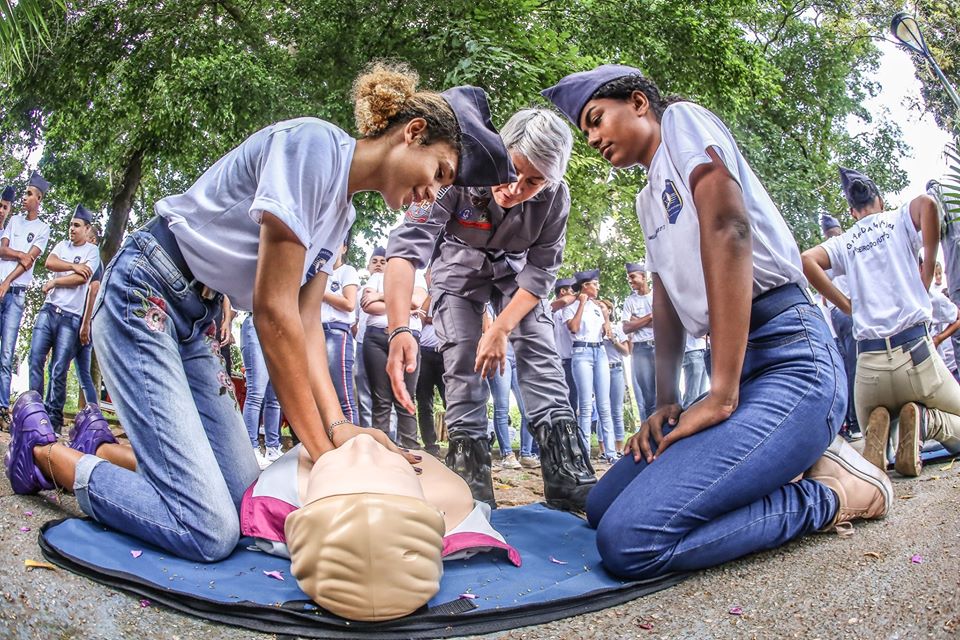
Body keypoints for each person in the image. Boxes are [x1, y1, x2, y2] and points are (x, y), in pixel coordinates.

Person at [5, 62, 500, 562]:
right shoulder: (315, 147)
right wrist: (328, 458)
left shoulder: (342, 216)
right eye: (439, 172)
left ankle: (103, 447)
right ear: (413, 133)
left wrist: (339, 427)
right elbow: (272, 311)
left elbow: (307, 324)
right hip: (145, 291)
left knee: (246, 501)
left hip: (196, 320)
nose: (432, 193)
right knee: (209, 531)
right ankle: (47, 457)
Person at [543, 64, 891, 579]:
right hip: (736, 371)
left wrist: (722, 393)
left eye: (596, 120)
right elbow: (665, 304)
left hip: (793, 361)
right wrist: (665, 403)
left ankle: (833, 492)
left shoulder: (682, 122)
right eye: (586, 130)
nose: (592, 137)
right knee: (601, 507)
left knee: (630, 542)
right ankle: (779, 458)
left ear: (639, 103)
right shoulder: (646, 199)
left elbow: (728, 226)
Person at [384, 108, 596, 510]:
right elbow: (406, 249)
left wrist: (499, 328)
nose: (516, 188)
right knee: (463, 357)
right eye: (512, 170)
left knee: (538, 346)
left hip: (516, 279)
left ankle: (566, 473)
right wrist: (399, 329)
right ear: (499, 151)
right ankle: (470, 479)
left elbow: (541, 272)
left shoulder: (555, 198)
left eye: (533, 181)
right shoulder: (457, 174)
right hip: (457, 272)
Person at [803, 167, 960, 476]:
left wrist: (846, 306)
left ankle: (884, 441)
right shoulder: (898, 219)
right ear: (880, 200)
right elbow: (928, 203)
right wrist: (926, 273)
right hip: (917, 356)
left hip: (870, 369)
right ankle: (928, 422)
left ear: (851, 212)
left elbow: (807, 261)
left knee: (875, 437)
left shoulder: (845, 242)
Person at [28, 205, 100, 434]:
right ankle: (33, 413)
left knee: (59, 369)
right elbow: (49, 262)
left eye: (76, 225)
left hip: (71, 318)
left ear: (87, 229)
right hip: (49, 310)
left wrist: (55, 282)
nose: (72, 229)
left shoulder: (92, 251)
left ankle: (54, 420)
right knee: (35, 359)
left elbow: (82, 280)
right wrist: (73, 266)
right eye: (70, 224)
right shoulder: (61, 245)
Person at [0, 174, 50, 429]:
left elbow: (32, 260)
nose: (25, 197)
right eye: (25, 193)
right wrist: (20, 254)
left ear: (38, 199)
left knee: (6, 353)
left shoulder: (43, 229)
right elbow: (3, 249)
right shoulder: (13, 222)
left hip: (16, 293)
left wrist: (7, 281)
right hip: (2, 287)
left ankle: (1, 408)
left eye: (29, 194)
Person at [361, 262, 428, 447]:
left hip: (408, 338)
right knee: (381, 399)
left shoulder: (418, 276)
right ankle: (381, 450)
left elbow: (417, 301)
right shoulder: (376, 277)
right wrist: (404, 306)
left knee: (406, 397)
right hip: (375, 339)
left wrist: (381, 296)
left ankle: (410, 448)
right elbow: (368, 306)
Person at [563, 269, 617, 462]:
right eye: (594, 283)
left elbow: (606, 331)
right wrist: (582, 303)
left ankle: (610, 453)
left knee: (604, 404)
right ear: (585, 286)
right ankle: (584, 453)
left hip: (600, 351)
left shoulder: (598, 307)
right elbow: (574, 328)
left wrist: (606, 316)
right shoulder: (570, 306)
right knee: (585, 406)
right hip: (581, 351)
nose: (597, 287)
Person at [819, 213, 861, 440]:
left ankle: (851, 422)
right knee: (857, 365)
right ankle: (856, 423)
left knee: (847, 366)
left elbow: (824, 296)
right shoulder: (848, 243)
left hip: (837, 314)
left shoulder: (824, 250)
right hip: (851, 310)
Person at [321, 239, 359, 422]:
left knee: (343, 393)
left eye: (337, 242)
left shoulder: (347, 271)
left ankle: (355, 443)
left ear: (344, 248)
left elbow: (349, 304)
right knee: (319, 393)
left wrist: (321, 292)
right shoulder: (317, 273)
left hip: (337, 333)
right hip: (315, 333)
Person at [240, 313, 282, 468]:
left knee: (275, 398)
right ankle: (251, 448)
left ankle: (273, 447)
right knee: (256, 393)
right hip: (256, 322)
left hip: (277, 328)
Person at [353, 247, 386, 428]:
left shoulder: (391, 289)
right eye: (375, 261)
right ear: (368, 266)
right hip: (362, 344)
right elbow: (354, 322)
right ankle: (367, 434)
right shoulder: (360, 292)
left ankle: (391, 439)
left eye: (383, 261)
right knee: (363, 392)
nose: (378, 265)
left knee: (385, 393)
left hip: (384, 341)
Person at [415, 267, 445, 458]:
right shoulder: (422, 295)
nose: (434, 276)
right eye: (431, 273)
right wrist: (431, 294)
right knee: (423, 401)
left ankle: (458, 442)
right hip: (424, 353)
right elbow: (420, 316)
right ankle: (430, 445)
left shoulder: (449, 297)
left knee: (450, 398)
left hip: (444, 354)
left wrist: (432, 319)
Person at [74, 223, 103, 408]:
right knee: (83, 373)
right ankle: (94, 412)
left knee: (57, 367)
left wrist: (85, 324)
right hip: (87, 324)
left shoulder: (94, 262)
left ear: (92, 240)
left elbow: (94, 289)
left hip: (81, 322)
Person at [622, 262, 655, 421]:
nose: (630, 280)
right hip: (640, 350)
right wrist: (650, 317)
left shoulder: (657, 296)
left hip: (660, 347)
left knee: (667, 392)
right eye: (629, 278)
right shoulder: (629, 301)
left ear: (644, 277)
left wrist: (637, 321)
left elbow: (663, 322)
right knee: (648, 396)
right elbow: (626, 328)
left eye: (633, 277)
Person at [600, 299, 629, 456]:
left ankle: (619, 447)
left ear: (609, 311)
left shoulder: (618, 328)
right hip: (601, 371)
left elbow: (626, 352)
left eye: (602, 307)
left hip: (616, 370)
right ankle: (603, 449)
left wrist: (614, 340)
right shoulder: (596, 329)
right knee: (602, 409)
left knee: (616, 410)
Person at [551, 277, 579, 412]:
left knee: (575, 399)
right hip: (558, 362)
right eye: (573, 291)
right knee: (561, 401)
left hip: (573, 359)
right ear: (563, 291)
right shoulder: (552, 310)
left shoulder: (575, 310)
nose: (575, 294)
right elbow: (562, 302)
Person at [680, 332, 708, 408]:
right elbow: (696, 331)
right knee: (691, 398)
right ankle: (685, 418)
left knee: (702, 396)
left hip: (703, 350)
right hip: (692, 351)